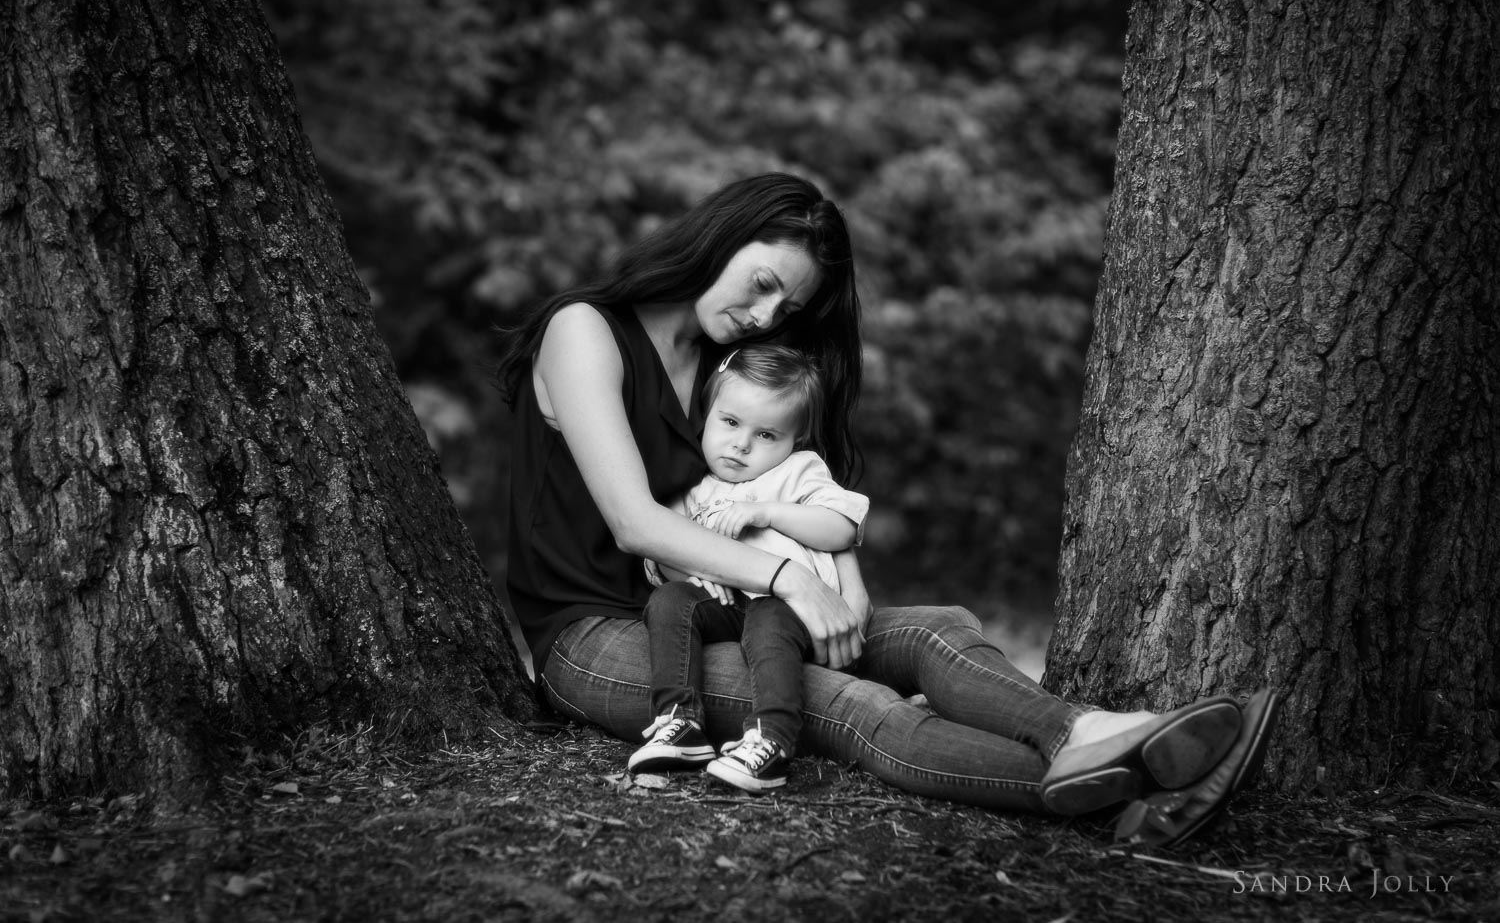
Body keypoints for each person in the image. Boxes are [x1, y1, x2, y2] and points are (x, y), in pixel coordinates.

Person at [497, 172, 1278, 831]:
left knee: (936, 630)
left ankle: (1090, 729)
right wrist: (791, 581)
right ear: (720, 236)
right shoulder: (584, 331)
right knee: (847, 700)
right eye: (764, 283)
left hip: (720, 607)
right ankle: (1140, 787)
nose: (769, 316)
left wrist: (843, 578)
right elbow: (637, 521)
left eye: (787, 309)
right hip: (594, 637)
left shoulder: (725, 371)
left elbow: (789, 485)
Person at [629, 344, 870, 792]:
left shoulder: (798, 471)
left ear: (794, 440)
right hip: (726, 604)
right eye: (731, 422)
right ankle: (679, 721)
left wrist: (769, 513)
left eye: (766, 435)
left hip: (793, 607)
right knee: (670, 601)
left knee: (768, 621)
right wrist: (692, 576)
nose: (741, 444)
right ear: (708, 414)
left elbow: (840, 528)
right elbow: (662, 549)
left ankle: (771, 741)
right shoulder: (694, 488)